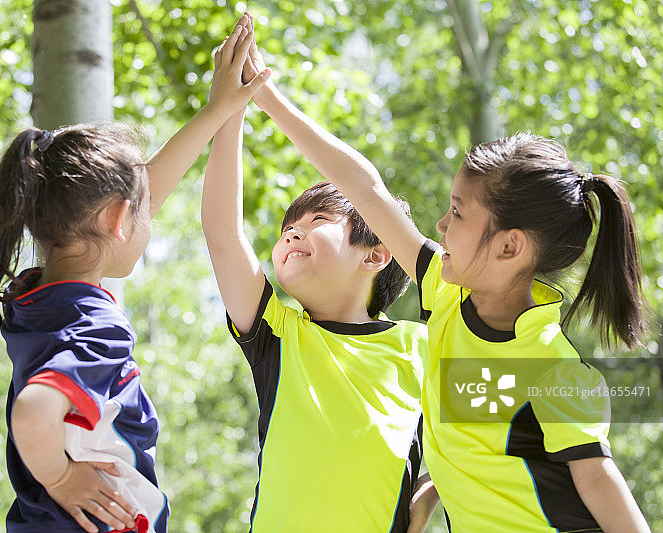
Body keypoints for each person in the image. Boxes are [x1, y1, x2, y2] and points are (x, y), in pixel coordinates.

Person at [237, 14, 651, 533]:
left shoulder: (551, 367)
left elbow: (598, 481)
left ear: (509, 247)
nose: (439, 223)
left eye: (457, 213)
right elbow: (365, 189)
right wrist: (268, 100)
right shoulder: (448, 294)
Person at [0, 24, 270, 533]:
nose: (154, 212)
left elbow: (133, 199)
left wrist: (218, 111)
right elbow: (34, 411)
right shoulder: (96, 326)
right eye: (144, 210)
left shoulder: (38, 298)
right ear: (118, 220)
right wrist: (60, 478)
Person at [201, 13, 430, 533]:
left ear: (376, 254)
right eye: (286, 228)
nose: (291, 233)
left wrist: (433, 492)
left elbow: (506, 413)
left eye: (317, 221)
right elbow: (220, 229)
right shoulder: (278, 334)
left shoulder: (423, 347)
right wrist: (230, 109)